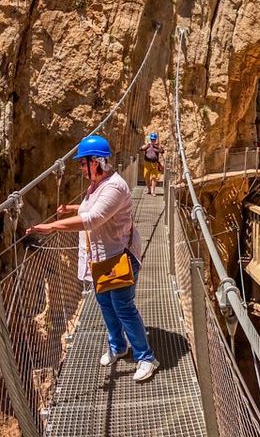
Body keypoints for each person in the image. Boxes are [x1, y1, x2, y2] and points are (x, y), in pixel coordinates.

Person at [25, 135, 159, 381]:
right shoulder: (97, 184)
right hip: (99, 259)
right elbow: (93, 208)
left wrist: (53, 227)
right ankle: (118, 346)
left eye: (83, 163)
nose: (81, 168)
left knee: (123, 307)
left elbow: (94, 218)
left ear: (96, 162)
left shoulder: (114, 186)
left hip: (119, 257)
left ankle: (146, 357)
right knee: (106, 304)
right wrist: (72, 209)